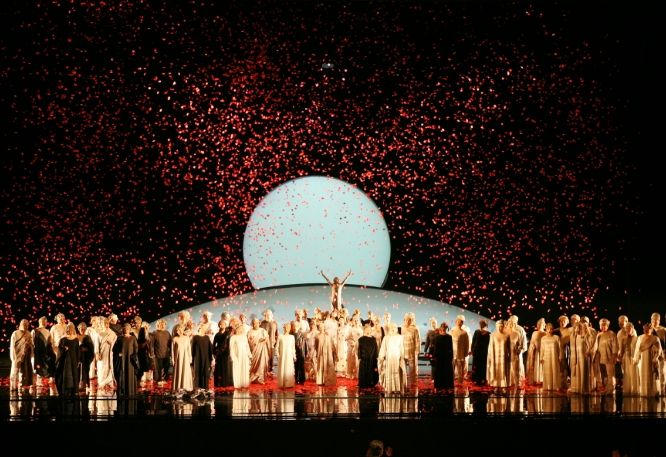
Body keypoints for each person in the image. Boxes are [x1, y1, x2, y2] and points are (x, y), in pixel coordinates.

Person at [377, 323, 406, 394]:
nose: (393, 329)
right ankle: (389, 387)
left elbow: (401, 347)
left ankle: (397, 388)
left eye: (394, 328)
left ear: (396, 329)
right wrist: (381, 356)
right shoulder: (386, 338)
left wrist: (402, 356)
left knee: (396, 372)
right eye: (391, 328)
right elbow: (383, 348)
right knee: (389, 372)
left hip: (397, 357)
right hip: (389, 358)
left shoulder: (400, 337)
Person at [9, 319, 35, 392]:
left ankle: (20, 385)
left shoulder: (28, 333)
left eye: (26, 324)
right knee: (15, 371)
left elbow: (31, 344)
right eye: (23, 324)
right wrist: (13, 357)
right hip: (17, 355)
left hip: (25, 355)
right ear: (20, 325)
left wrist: (30, 348)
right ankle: (13, 386)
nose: (25, 325)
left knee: (23, 371)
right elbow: (12, 346)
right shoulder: (15, 333)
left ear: (28, 326)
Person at [430, 322, 454, 391]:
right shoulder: (443, 337)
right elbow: (436, 348)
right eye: (443, 327)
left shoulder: (445, 337)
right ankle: (444, 384)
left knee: (442, 370)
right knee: (443, 370)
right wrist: (434, 356)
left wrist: (451, 356)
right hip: (443, 356)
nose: (443, 328)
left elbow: (450, 348)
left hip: (443, 356)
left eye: (444, 327)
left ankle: (442, 384)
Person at [540, 323, 561, 391]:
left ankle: (555, 386)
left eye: (551, 329)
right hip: (546, 357)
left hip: (554, 356)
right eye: (548, 329)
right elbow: (542, 349)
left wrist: (560, 356)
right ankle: (548, 386)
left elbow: (560, 348)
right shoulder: (543, 338)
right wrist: (541, 357)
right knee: (547, 370)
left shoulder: (556, 337)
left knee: (554, 370)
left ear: (553, 330)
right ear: (546, 329)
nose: (549, 330)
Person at [470, 319, 491, 386]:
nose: (481, 325)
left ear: (486, 325)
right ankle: (475, 379)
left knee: (483, 365)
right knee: (476, 365)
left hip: (484, 352)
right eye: (480, 324)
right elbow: (473, 341)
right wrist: (472, 350)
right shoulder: (477, 331)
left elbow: (489, 344)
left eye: (482, 324)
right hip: (476, 351)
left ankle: (482, 379)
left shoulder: (488, 334)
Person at [277, 322, 296, 388]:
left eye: (288, 327)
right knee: (283, 368)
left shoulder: (292, 337)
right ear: (283, 328)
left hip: (289, 356)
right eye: (285, 327)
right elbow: (277, 347)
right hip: (282, 356)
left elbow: (293, 348)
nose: (286, 329)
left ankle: (289, 384)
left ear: (290, 328)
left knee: (288, 368)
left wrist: (294, 356)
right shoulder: (280, 336)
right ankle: (282, 383)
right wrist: (278, 355)